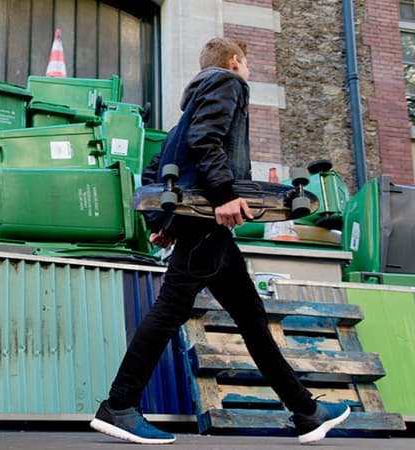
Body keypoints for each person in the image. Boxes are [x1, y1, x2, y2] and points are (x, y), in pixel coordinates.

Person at [89, 37, 350, 445]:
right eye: (246, 65)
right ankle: (119, 405)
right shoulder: (228, 84)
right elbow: (207, 141)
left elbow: (160, 167)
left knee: (250, 316)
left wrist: (166, 223)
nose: (247, 73)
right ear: (234, 61)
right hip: (210, 221)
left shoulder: (187, 109)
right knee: (170, 311)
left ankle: (306, 411)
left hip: (204, 227)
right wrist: (226, 195)